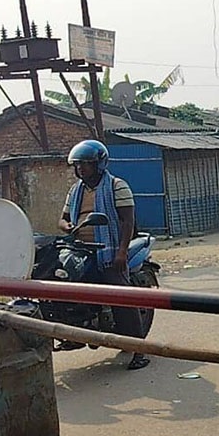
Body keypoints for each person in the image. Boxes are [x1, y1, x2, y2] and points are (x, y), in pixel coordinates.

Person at [58, 140, 150, 370]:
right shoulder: (75, 190)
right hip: (81, 251)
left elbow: (127, 221)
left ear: (99, 164)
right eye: (77, 165)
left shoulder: (117, 186)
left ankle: (140, 351)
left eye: (85, 164)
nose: (80, 169)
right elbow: (63, 218)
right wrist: (67, 226)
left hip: (108, 251)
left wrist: (121, 252)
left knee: (121, 297)